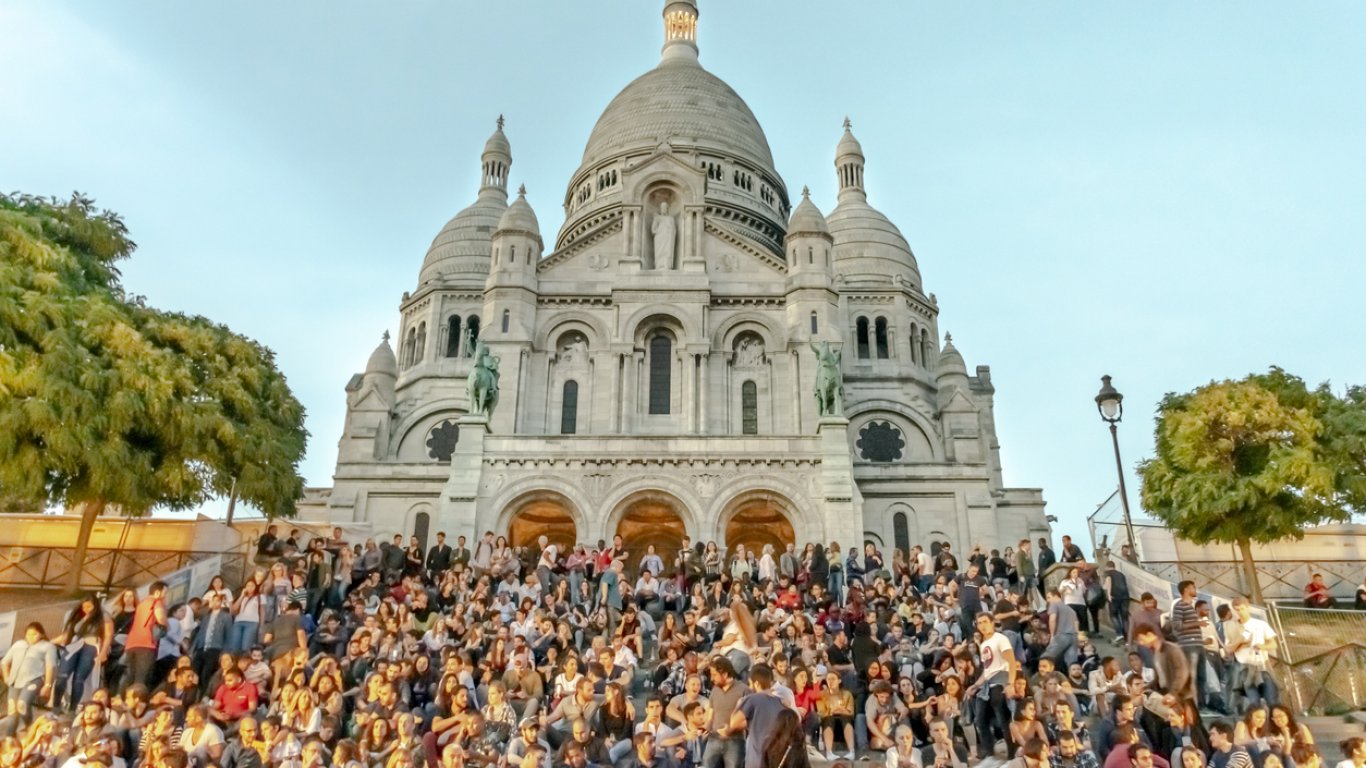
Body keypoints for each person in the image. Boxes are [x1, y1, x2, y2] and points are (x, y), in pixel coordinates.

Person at [727, 664, 787, 768]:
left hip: (756, 759)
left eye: (750, 684)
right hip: (776, 759)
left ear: (757, 683)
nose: (750, 687)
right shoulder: (781, 703)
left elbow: (733, 723)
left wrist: (738, 705)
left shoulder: (752, 699)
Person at [1, 623, 57, 727]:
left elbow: (50, 666)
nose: (31, 637)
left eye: (34, 634)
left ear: (41, 634)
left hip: (34, 679)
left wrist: (47, 685)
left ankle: (30, 726)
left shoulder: (47, 646)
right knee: (12, 709)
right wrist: (6, 677)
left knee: (22, 704)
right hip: (15, 680)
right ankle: (10, 736)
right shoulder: (19, 644)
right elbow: (5, 662)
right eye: (28, 634)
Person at [125, 581, 168, 689]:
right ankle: (137, 699)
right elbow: (161, 618)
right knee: (142, 677)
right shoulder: (156, 602)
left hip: (131, 643)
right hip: (146, 643)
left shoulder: (141, 603)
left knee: (130, 675)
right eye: (165, 592)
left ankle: (123, 698)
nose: (165, 596)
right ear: (158, 592)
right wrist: (167, 625)